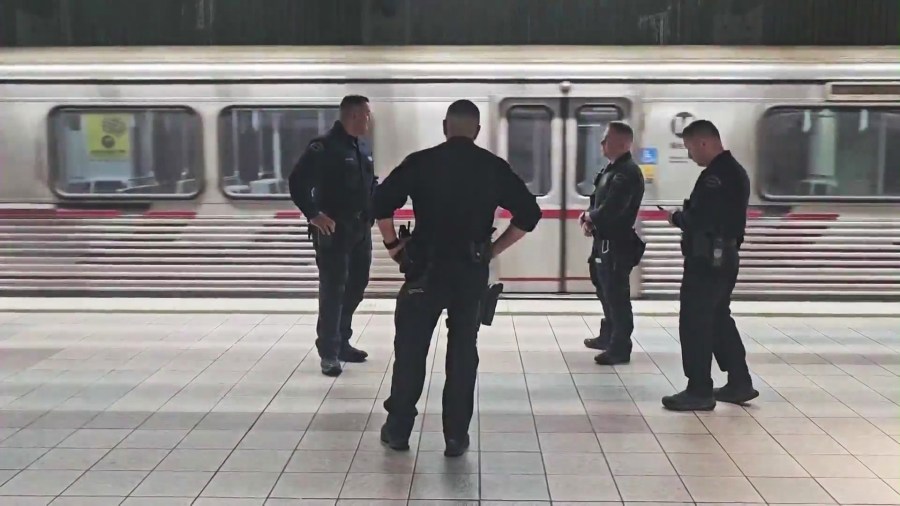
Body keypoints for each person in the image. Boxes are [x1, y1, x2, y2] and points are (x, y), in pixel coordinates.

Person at [375, 100, 541, 457]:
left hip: (424, 271)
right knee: (463, 353)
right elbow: (530, 213)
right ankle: (455, 436)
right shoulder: (492, 167)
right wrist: (493, 250)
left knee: (410, 351)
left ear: (445, 125)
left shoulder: (421, 161)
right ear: (477, 131)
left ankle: (399, 429)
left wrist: (394, 247)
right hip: (470, 273)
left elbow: (380, 203)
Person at [662, 119, 759, 411]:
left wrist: (676, 218)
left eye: (690, 147)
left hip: (708, 261)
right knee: (718, 319)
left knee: (695, 322)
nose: (690, 155)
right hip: (724, 258)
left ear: (703, 142)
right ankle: (739, 382)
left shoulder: (716, 176)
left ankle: (699, 389)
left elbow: (701, 219)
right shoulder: (732, 172)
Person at [288, 95, 375, 377]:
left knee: (356, 287)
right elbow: (297, 181)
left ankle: (342, 341)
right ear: (352, 116)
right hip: (334, 232)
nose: (369, 120)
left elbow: (368, 184)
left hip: (360, 230)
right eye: (365, 115)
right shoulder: (323, 147)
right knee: (333, 291)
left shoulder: (361, 147)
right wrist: (314, 214)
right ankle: (329, 351)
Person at [580, 121, 645, 366]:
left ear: (622, 143)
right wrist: (590, 219)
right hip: (603, 240)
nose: (601, 143)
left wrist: (591, 217)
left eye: (606, 139)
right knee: (604, 288)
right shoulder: (611, 169)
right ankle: (607, 335)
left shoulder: (627, 172)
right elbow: (598, 201)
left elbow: (614, 208)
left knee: (617, 295)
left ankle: (620, 347)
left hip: (617, 243)